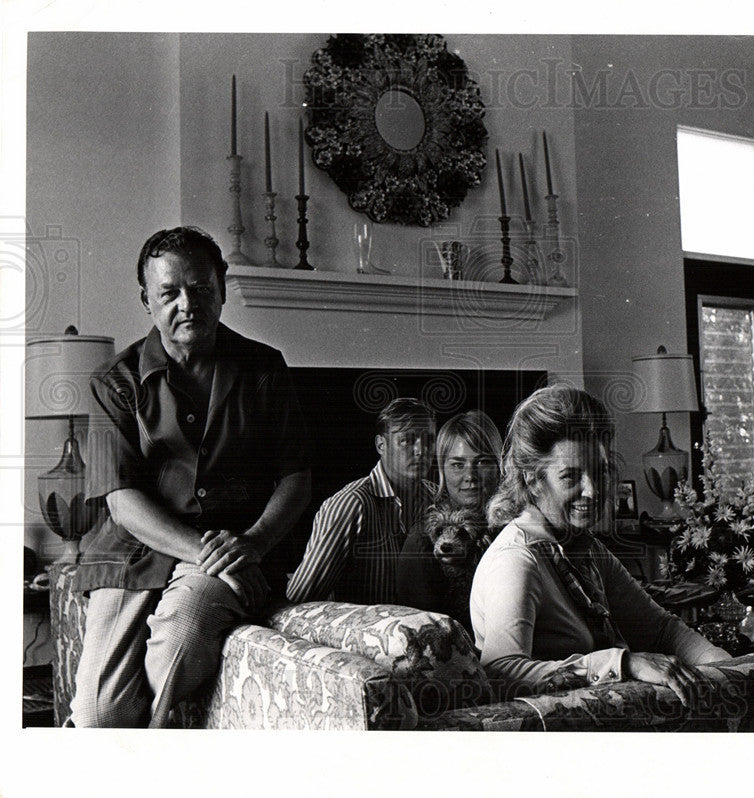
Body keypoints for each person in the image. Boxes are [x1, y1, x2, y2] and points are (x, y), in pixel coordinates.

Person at [71, 226, 312, 727]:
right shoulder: (112, 382)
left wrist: (256, 543)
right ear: (147, 301)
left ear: (221, 288)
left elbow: (296, 478)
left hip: (232, 545)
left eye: (201, 289)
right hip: (135, 550)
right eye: (169, 293)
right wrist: (209, 554)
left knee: (182, 636)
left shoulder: (264, 369)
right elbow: (122, 501)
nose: (188, 304)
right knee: (99, 714)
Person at [470, 385, 731, 705]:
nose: (592, 491)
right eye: (570, 477)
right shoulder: (516, 561)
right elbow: (500, 671)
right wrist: (623, 663)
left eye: (600, 472)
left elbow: (662, 630)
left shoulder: (585, 547)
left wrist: (731, 672)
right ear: (533, 480)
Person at [286, 398, 436, 604]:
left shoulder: (437, 499)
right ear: (381, 445)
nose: (421, 450)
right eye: (407, 440)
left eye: (428, 440)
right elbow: (300, 598)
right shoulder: (351, 505)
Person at [396, 411, 502, 630]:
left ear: (498, 466)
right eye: (457, 464)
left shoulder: (514, 529)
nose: (470, 476)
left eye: (482, 462)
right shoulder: (422, 540)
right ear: (442, 469)